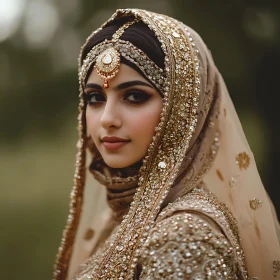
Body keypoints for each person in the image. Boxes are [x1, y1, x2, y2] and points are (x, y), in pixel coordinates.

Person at [53, 8, 280, 280]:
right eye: (94, 98)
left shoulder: (184, 238)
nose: (107, 119)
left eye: (135, 96)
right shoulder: (121, 215)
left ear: (182, 108)